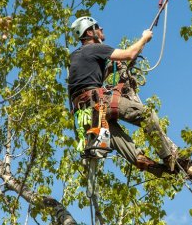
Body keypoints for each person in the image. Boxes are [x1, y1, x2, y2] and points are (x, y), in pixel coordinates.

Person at [68, 16, 178, 176]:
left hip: (84, 114)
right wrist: (145, 38)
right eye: (97, 27)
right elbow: (129, 53)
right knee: (146, 115)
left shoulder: (75, 56)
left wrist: (110, 69)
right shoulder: (95, 48)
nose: (102, 29)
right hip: (97, 102)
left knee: (117, 139)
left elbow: (87, 78)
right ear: (90, 32)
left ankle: (147, 164)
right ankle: (168, 157)